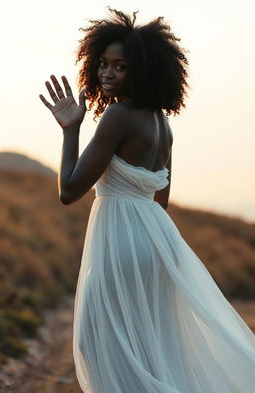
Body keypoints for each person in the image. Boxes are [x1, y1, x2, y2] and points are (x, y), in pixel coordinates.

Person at [40, 8, 255, 393]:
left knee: (98, 344)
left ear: (141, 70)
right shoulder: (162, 123)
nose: (107, 73)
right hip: (156, 242)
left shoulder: (118, 116)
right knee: (149, 348)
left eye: (119, 67)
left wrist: (70, 130)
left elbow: (69, 191)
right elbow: (161, 199)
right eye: (103, 64)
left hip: (121, 243)